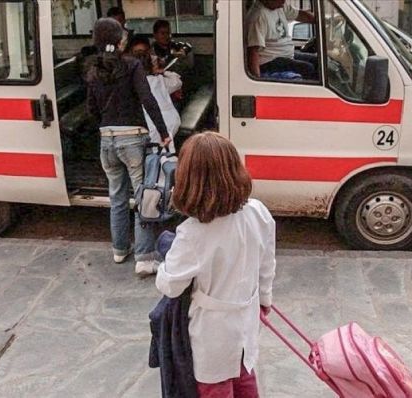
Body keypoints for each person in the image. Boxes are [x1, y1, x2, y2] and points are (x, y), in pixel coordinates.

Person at [155, 132, 276, 397]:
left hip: (211, 333)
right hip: (246, 318)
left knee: (216, 386)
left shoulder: (193, 233)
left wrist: (163, 263)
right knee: (244, 377)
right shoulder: (258, 212)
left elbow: (171, 286)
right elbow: (267, 264)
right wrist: (265, 299)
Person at [85, 18, 171, 276]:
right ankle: (144, 257)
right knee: (144, 196)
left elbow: (91, 110)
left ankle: (120, 250)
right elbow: (148, 99)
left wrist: (106, 128)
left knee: (117, 197)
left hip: (107, 140)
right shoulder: (132, 65)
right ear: (118, 39)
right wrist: (164, 132)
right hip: (133, 138)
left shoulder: (92, 70)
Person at [128, 36, 182, 151]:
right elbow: (178, 82)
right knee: (165, 151)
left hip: (149, 125)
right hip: (171, 121)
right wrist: (163, 72)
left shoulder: (131, 82)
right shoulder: (159, 80)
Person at [246, 0, 316, 80]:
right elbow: (253, 51)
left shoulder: (279, 5)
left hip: (286, 54)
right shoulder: (258, 16)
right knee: (308, 68)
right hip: (270, 60)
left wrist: (322, 21)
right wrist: (256, 80)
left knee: (318, 61)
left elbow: (301, 15)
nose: (284, 1)